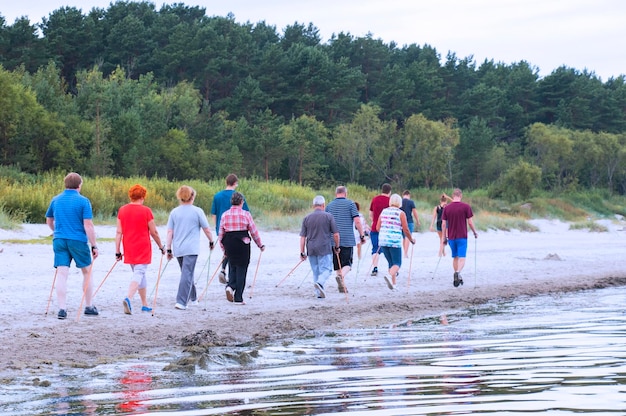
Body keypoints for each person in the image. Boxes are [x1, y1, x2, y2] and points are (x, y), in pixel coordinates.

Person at [45, 172, 99, 319]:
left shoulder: (56, 200)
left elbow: (49, 220)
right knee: (87, 272)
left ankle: (62, 309)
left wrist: (56, 231)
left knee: (62, 274)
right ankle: (88, 305)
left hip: (59, 240)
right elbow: (88, 225)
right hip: (78, 241)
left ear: (65, 184)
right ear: (79, 185)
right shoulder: (83, 201)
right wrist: (94, 245)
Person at [115, 184, 165, 315]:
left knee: (140, 273)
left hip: (129, 247)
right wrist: (161, 246)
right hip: (142, 247)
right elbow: (154, 232)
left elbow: (119, 232)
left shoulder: (122, 210)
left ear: (131, 196)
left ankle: (144, 305)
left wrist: (117, 251)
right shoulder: (146, 211)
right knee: (139, 272)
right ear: (142, 197)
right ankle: (128, 298)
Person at [166, 185, 215, 310]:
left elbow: (169, 232)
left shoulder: (174, 212)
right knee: (187, 274)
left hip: (179, 248)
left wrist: (169, 249)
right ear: (192, 196)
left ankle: (193, 298)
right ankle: (181, 302)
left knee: (186, 273)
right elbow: (207, 229)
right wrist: (211, 241)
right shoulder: (198, 211)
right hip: (191, 249)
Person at [218, 191, 265, 304]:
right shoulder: (246, 214)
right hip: (243, 243)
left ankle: (230, 286)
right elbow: (253, 231)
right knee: (242, 269)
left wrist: (223, 249)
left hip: (229, 242)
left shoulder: (225, 215)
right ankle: (238, 297)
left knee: (232, 266)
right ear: (241, 202)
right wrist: (260, 245)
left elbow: (221, 234)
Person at [325, 186, 365, 293]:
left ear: (336, 193)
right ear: (345, 193)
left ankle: (342, 286)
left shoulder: (329, 206)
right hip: (347, 239)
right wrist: (362, 235)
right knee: (347, 264)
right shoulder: (351, 204)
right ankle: (341, 277)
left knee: (337, 264)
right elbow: (357, 221)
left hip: (333, 240)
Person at [211, 174, 249, 285]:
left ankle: (223, 270)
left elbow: (214, 214)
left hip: (221, 226)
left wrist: (217, 228)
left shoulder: (217, 196)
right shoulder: (238, 196)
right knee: (236, 253)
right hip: (236, 228)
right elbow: (246, 213)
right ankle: (228, 276)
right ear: (235, 183)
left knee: (227, 250)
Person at [299, 195, 340, 298]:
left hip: (311, 248)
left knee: (315, 271)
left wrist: (302, 252)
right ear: (323, 205)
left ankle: (318, 294)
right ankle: (320, 283)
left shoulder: (307, 218)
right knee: (327, 270)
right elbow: (336, 234)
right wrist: (337, 246)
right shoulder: (328, 216)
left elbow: (303, 237)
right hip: (324, 247)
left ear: (314, 206)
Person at [376, 193, 415, 290]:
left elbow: (377, 227)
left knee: (391, 263)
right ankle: (389, 275)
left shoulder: (384, 212)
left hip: (383, 240)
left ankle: (394, 285)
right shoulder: (401, 213)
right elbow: (405, 229)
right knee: (397, 263)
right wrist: (411, 240)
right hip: (394, 240)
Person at [441, 188, 478, 287]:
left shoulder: (447, 208)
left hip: (451, 237)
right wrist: (475, 232)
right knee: (462, 258)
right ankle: (457, 272)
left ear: (453, 196)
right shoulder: (466, 207)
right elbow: (470, 222)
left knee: (455, 257)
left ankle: (458, 275)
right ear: (460, 196)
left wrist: (444, 237)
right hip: (462, 236)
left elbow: (443, 224)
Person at [368, 183, 392, 276]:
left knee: (375, 249)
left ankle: (375, 267)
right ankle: (391, 267)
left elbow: (371, 214)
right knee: (389, 249)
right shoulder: (390, 201)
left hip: (375, 228)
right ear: (389, 191)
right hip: (387, 229)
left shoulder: (375, 199)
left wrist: (374, 221)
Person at [401, 190, 420, 258]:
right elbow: (414, 212)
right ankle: (405, 253)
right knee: (408, 237)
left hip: (400, 222)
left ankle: (405, 252)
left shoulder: (400, 202)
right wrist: (418, 221)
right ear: (409, 195)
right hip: (409, 221)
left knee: (403, 237)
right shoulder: (411, 202)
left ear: (403, 195)